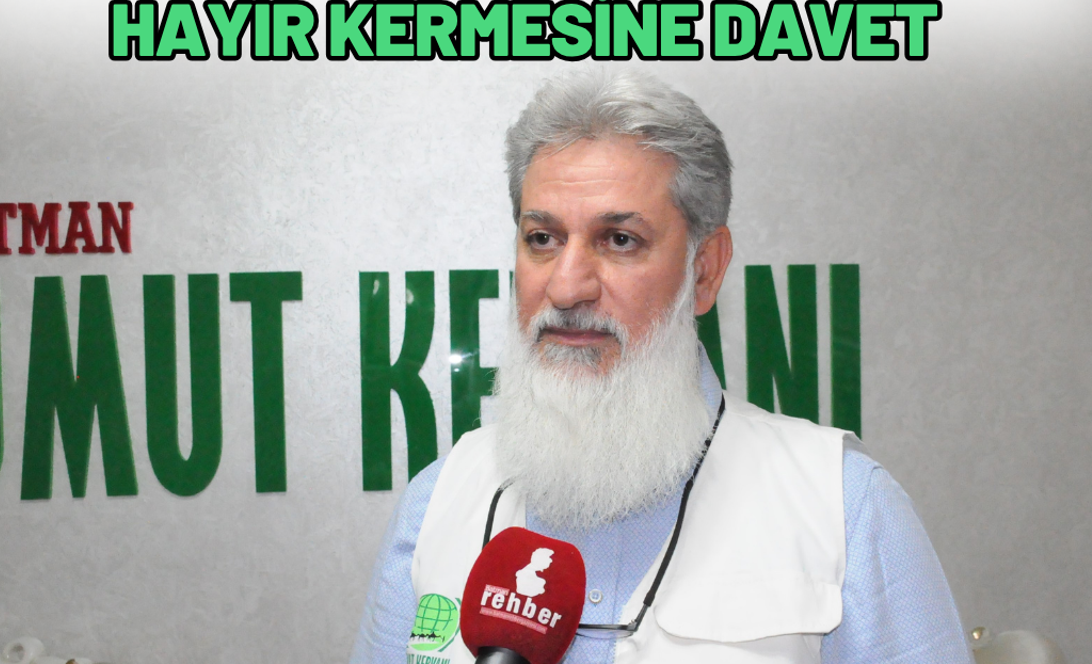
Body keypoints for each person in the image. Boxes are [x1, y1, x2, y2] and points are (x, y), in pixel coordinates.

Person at [350, 70, 973, 664]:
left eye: (619, 240)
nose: (566, 286)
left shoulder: (845, 507)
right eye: (542, 238)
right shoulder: (436, 505)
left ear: (704, 270)